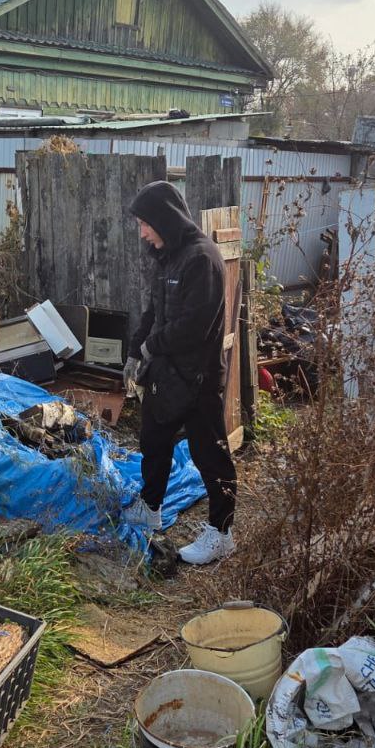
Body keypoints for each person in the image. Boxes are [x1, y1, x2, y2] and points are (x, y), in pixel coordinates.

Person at [122, 181, 237, 565]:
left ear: (165, 219)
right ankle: (150, 508)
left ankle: (221, 533)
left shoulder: (202, 259)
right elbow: (154, 312)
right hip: (166, 374)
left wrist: (151, 347)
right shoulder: (167, 257)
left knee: (210, 455)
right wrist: (135, 351)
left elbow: (194, 325)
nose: (143, 233)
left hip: (198, 377)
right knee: (153, 441)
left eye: (146, 224)